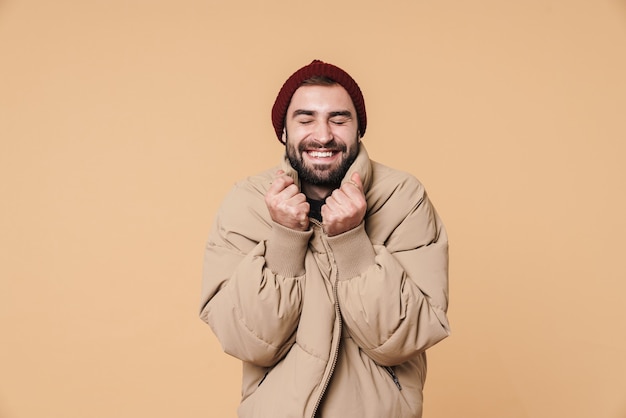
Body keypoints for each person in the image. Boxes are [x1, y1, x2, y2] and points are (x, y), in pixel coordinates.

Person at [199, 59, 450, 418]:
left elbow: (403, 339)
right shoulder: (247, 202)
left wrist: (351, 241)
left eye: (339, 118)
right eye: (305, 119)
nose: (323, 135)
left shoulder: (403, 198)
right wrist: (285, 240)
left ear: (359, 130)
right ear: (284, 132)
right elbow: (248, 342)